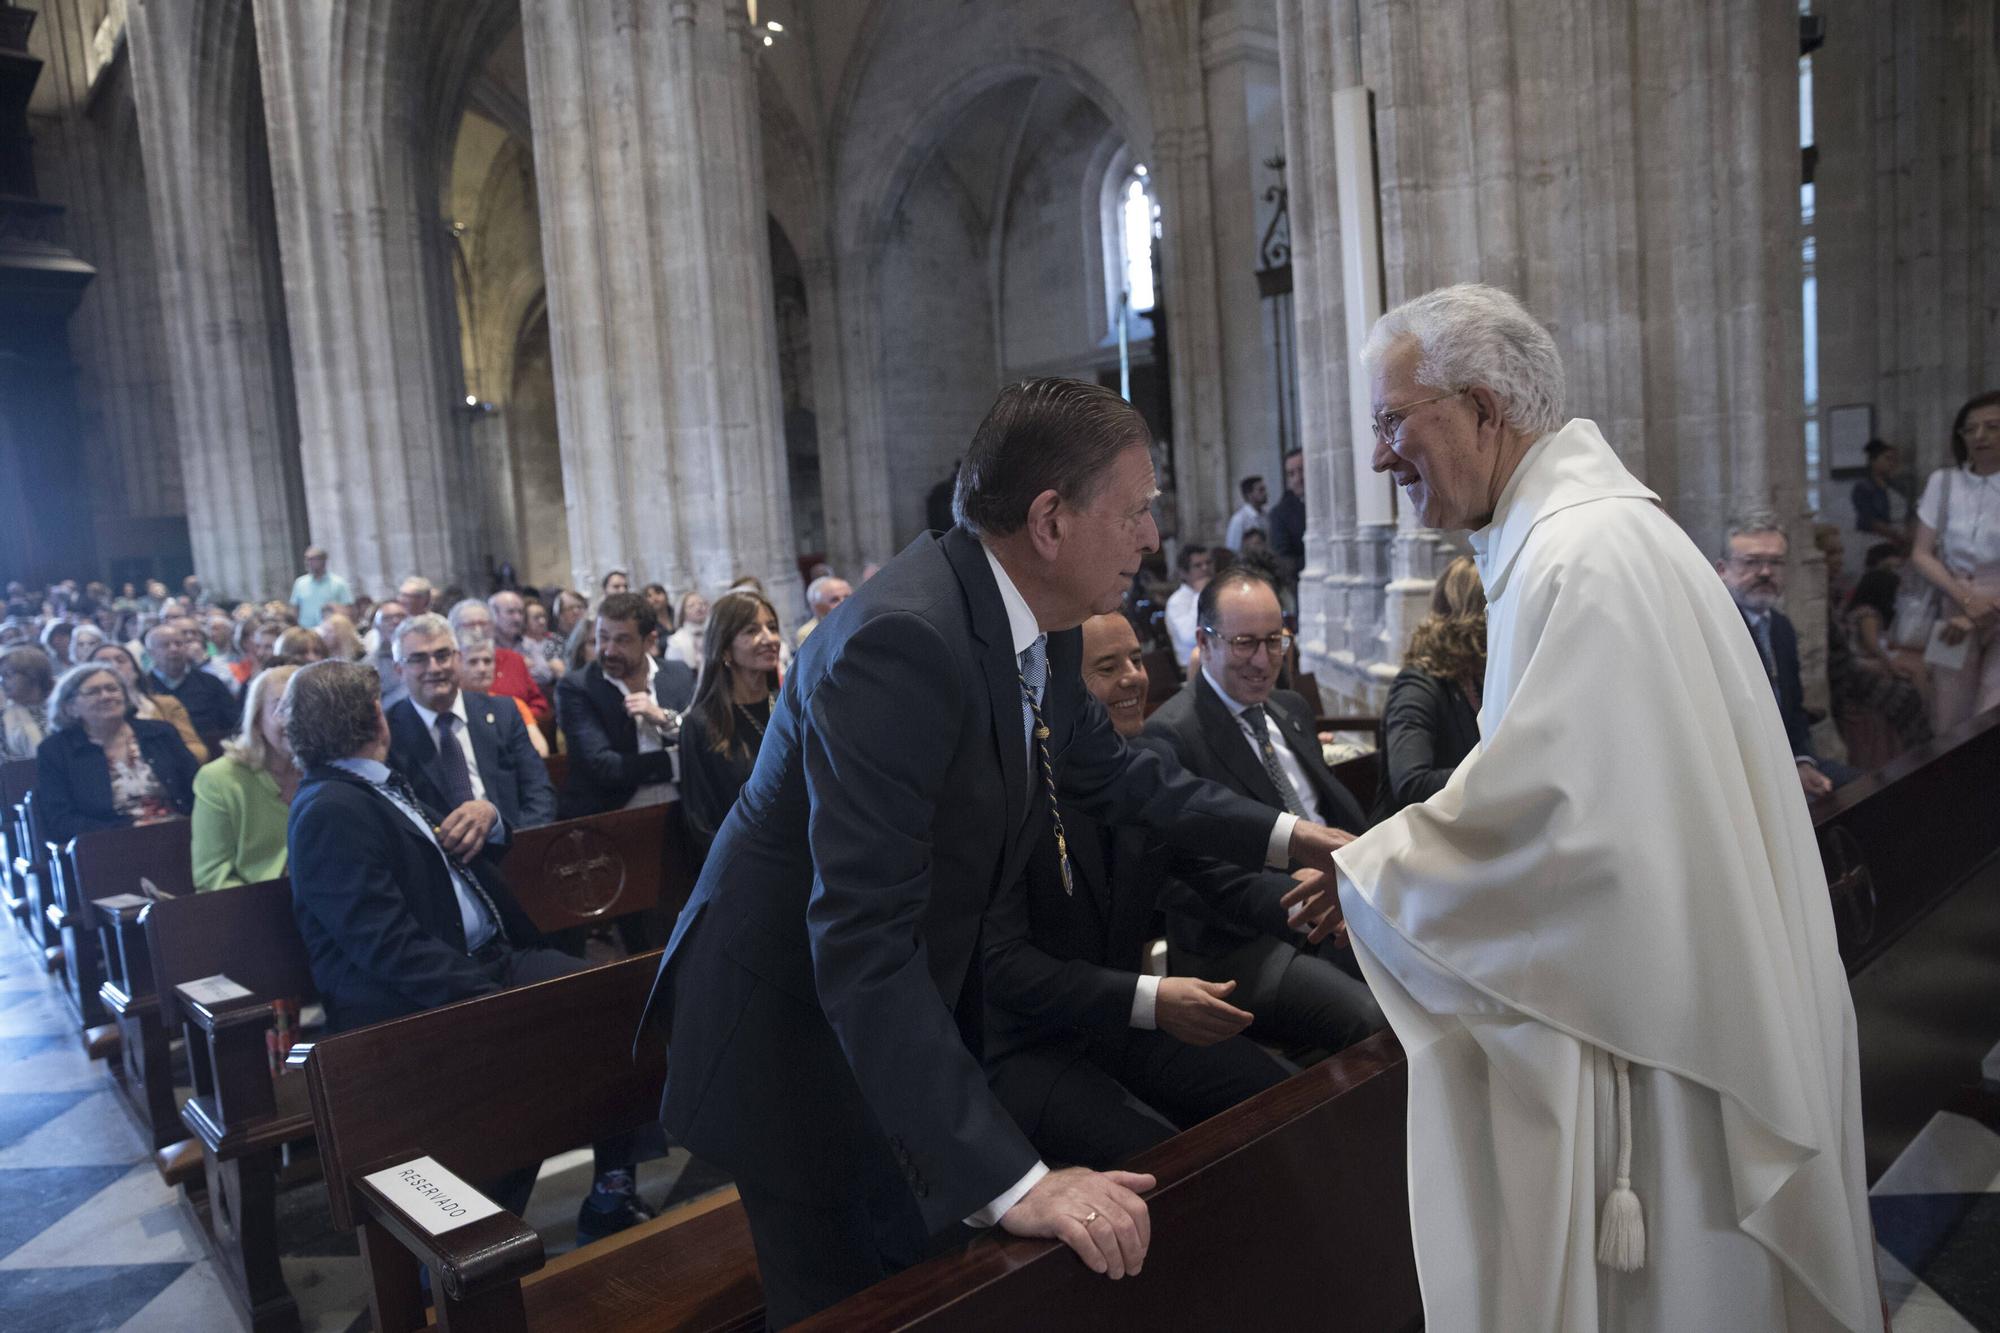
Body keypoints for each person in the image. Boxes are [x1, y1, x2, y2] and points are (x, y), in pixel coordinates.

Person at [639, 377, 1357, 1328]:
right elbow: (859, 942)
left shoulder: (1036, 624)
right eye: (1137, 509)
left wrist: (1296, 834)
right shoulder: (901, 642)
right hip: (793, 1049)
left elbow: (1121, 778)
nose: (1152, 535)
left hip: (891, 1032)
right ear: (1051, 519)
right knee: (860, 1306)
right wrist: (1020, 1182)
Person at [1315, 283, 1878, 1332]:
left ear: (1482, 408)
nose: (1382, 455)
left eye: (1393, 421)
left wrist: (1369, 876)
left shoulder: (1585, 553)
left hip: (1665, 1039)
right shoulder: (1579, 537)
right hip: (1666, 990)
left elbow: (1557, 819)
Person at [281, 661, 654, 1241]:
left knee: (615, 1001)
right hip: (415, 998)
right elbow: (386, 947)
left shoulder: (375, 780)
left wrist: (490, 815)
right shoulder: (331, 809)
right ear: (374, 716)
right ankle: (473, 1244)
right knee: (530, 1073)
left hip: (487, 962)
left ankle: (611, 1189)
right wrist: (489, 997)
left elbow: (462, 845)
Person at [982, 610, 1289, 1168]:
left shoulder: (1152, 759)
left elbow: (1222, 881)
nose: (1134, 678)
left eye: (1136, 659)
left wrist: (1333, 905)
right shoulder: (1010, 791)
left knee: (1280, 1099)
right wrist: (1147, 999)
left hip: (1125, 1022)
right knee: (1159, 1163)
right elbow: (1004, 969)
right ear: (1059, 690)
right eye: (1107, 666)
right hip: (1033, 1046)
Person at [1143, 567, 1383, 1056]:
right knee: (1374, 1019)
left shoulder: (1289, 707)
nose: (1263, 661)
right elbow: (1191, 874)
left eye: (1275, 641)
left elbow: (1340, 815)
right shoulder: (1171, 734)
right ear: (1204, 642)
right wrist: (1310, 904)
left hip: (1342, 901)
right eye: (1244, 643)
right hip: (1242, 941)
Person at [1717, 511, 1860, 796]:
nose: (1766, 572)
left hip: (1786, 763)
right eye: (1752, 562)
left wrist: (1802, 762)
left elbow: (1793, 713)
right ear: (1722, 570)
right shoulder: (1715, 627)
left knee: (1866, 789)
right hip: (1738, 776)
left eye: (1776, 563)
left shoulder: (1780, 627)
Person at [386, 615, 555, 839]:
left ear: (458, 658)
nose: (434, 668)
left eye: (442, 655)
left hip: (513, 844)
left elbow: (539, 792)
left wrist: (516, 840)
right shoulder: (389, 731)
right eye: (418, 659)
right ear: (399, 669)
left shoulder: (503, 712)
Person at [554, 592, 695, 817]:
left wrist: (664, 718)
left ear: (649, 641)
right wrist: (677, 762)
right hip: (612, 815)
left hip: (683, 809)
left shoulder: (678, 674)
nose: (609, 650)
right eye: (602, 637)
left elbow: (704, 738)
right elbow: (603, 766)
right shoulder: (577, 687)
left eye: (622, 640)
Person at [1908, 390, 2000, 731]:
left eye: (1992, 427)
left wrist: (1983, 610)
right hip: (1953, 604)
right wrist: (1966, 601)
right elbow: (1921, 552)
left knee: (1990, 716)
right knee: (1947, 715)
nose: (1980, 437)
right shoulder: (1943, 482)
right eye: (1970, 428)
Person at [36, 663, 199, 844]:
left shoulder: (160, 733)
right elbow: (61, 820)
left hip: (179, 832)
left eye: (112, 689)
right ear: (70, 707)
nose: (106, 696)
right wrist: (122, 832)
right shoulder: (56, 750)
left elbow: (196, 787)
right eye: (93, 692)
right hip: (109, 845)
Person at [677, 591, 781, 863]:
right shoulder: (701, 724)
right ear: (724, 649)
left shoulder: (789, 706)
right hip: (745, 866)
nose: (769, 639)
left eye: (772, 628)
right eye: (752, 630)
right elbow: (701, 823)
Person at [1376, 556, 1485, 818]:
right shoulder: (1416, 685)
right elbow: (1412, 784)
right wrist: (1495, 770)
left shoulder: (1474, 677)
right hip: (1414, 842)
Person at [190, 665, 301, 891]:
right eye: (282, 706)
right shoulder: (219, 779)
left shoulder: (328, 771)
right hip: (250, 908)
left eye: (306, 707)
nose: (295, 718)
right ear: (257, 719)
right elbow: (212, 876)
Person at [93, 642, 209, 763]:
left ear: (135, 671)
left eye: (121, 660)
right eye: (103, 662)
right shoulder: (86, 717)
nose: (113, 666)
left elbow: (198, 751)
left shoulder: (166, 705)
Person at [145, 621, 241, 757]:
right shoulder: (144, 687)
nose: (174, 649)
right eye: (165, 645)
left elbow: (234, 723)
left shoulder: (210, 682)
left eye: (179, 644)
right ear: (151, 653)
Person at [449, 598, 550, 726]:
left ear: (493, 627)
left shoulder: (514, 660)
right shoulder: (450, 665)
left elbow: (539, 704)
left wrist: (515, 720)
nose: (477, 630)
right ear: (454, 629)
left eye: (483, 623)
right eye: (469, 625)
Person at [459, 634, 549, 758]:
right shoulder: (452, 706)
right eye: (473, 662)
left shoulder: (513, 704)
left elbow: (541, 749)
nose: (482, 669)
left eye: (487, 661)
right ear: (458, 666)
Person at [1849, 439, 1908, 551]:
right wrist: (1895, 534)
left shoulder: (1897, 486)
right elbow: (1869, 519)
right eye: (1887, 459)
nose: (1891, 463)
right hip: (1874, 540)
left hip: (1898, 539)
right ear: (1873, 461)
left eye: (1894, 460)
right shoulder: (1863, 487)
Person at [1, 644, 53, 760]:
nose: (3, 682)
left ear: (32, 675)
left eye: (8, 675)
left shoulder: (64, 709)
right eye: (1, 677)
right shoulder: (3, 719)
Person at [1163, 545, 1211, 666]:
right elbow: (1189, 637)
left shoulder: (1213, 593)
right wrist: (1200, 595)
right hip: (1192, 667)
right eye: (1198, 565)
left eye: (1208, 562)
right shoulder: (1176, 601)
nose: (1205, 568)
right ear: (1184, 573)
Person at [289, 545, 352, 628]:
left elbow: (348, 609)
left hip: (330, 631)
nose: (308, 563)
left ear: (323, 561)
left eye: (312, 559)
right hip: (306, 631)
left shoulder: (338, 583)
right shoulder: (300, 583)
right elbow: (295, 609)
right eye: (307, 559)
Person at [1266, 448, 1307, 576]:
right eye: (1291, 474)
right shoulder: (1280, 514)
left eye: (1302, 470)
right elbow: (1284, 562)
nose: (1298, 479)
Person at [793, 575, 852, 649]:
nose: (844, 602)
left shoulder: (864, 620)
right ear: (816, 608)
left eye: (847, 597)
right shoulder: (808, 634)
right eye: (834, 600)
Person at [518, 597, 565, 688]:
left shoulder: (556, 640)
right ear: (525, 621)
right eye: (536, 618)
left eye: (544, 616)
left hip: (555, 687)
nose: (542, 621)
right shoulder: (519, 643)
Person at [663, 591, 708, 668]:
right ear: (682, 612)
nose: (698, 608)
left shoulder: (714, 634)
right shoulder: (676, 641)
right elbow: (673, 671)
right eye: (691, 606)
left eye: (702, 604)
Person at [1223, 475, 1268, 552]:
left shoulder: (1266, 515)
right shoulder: (1239, 520)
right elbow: (1232, 550)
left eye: (1264, 489)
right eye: (1261, 490)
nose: (1265, 493)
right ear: (1249, 495)